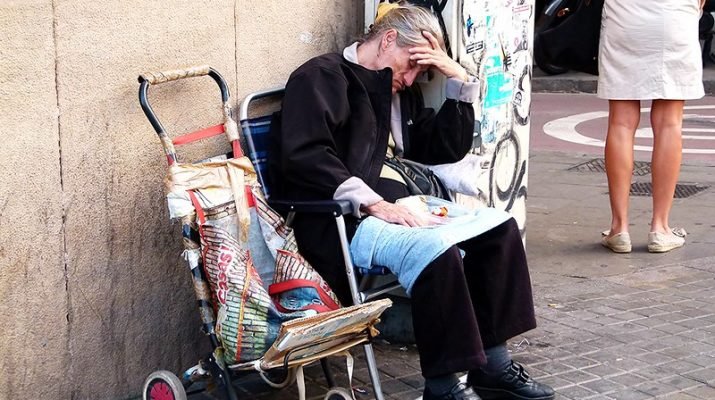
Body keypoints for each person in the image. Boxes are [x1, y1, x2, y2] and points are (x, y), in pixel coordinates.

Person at [270, 3, 555, 400]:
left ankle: (493, 365)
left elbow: (442, 147)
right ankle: (442, 386)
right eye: (411, 64)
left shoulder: (395, 91)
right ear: (388, 40)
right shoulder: (321, 77)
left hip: (403, 207)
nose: (412, 77)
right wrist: (372, 203)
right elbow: (307, 156)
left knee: (499, 230)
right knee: (435, 250)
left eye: (422, 71)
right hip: (338, 220)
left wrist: (459, 80)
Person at [598, 0, 705, 253]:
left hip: (624, 17)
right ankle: (660, 227)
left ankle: (619, 228)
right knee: (669, 123)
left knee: (621, 123)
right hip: (674, 16)